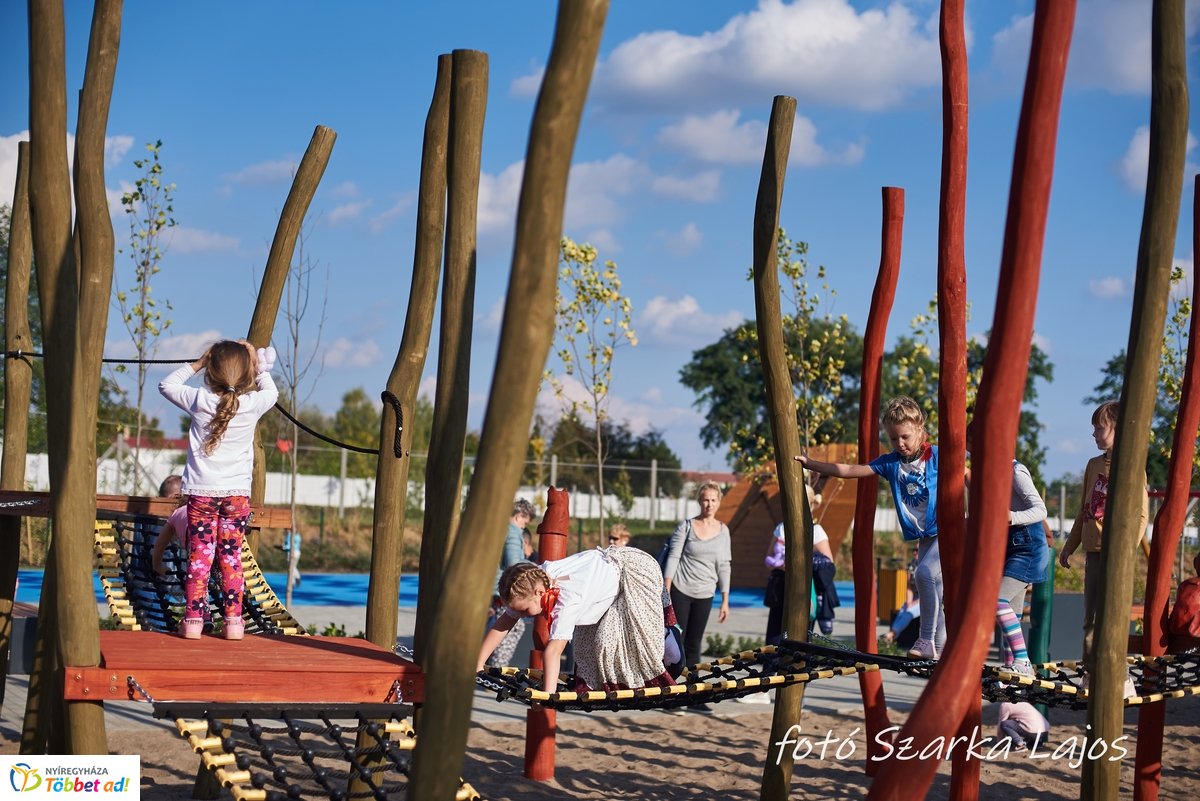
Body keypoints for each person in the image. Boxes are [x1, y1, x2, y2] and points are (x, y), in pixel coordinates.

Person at [796, 396, 943, 659]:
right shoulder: (891, 463)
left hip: (948, 531)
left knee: (923, 576)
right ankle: (941, 652)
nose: (900, 444)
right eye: (894, 439)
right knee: (938, 591)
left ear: (920, 427)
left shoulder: (937, 456)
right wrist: (812, 464)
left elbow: (967, 467)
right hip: (927, 537)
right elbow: (852, 469)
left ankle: (925, 639)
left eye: (905, 437)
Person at [159, 340, 278, 640]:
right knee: (231, 557)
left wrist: (197, 363)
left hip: (202, 493)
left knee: (200, 558)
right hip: (237, 495)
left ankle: (194, 622)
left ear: (210, 372)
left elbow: (166, 385)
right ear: (246, 374)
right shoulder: (250, 405)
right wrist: (258, 365)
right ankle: (234, 623)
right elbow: (272, 393)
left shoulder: (199, 399)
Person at [477, 546, 677, 693]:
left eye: (524, 611)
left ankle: (668, 637)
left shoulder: (566, 599)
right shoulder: (533, 580)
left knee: (636, 635)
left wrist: (547, 696)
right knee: (594, 644)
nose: (521, 616)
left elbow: (553, 651)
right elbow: (504, 622)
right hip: (607, 586)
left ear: (539, 593)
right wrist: (478, 664)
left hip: (635, 571)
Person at [1058, 401, 1149, 670]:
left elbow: (1142, 515)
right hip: (1094, 553)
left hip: (1116, 554)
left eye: (1100, 428)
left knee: (1112, 615)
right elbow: (1084, 509)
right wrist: (1070, 545)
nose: (1095, 434)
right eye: (1094, 428)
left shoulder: (1131, 467)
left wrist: (1125, 548)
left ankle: (1113, 670)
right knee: (1091, 616)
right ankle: (1089, 669)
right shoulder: (1092, 465)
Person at [965, 420, 1049, 677]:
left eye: (975, 452)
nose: (973, 458)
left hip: (1029, 548)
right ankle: (1015, 663)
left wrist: (1011, 516)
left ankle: (1022, 662)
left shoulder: (1015, 471)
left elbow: (1040, 510)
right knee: (1010, 612)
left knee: (995, 601)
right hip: (1012, 549)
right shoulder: (990, 476)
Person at [662, 481, 732, 678]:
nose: (709, 504)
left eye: (713, 500)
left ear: (719, 502)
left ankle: (692, 689)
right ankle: (668, 688)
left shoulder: (723, 531)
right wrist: (666, 591)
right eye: (705, 500)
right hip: (681, 590)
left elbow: (724, 565)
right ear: (699, 502)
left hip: (706, 593)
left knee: (694, 643)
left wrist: (725, 600)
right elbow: (673, 557)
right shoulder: (687, 526)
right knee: (675, 642)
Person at [763, 484, 839, 644]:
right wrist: (781, 564)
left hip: (804, 587)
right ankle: (771, 667)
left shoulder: (815, 530)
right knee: (774, 635)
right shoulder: (781, 528)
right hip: (780, 586)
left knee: (800, 637)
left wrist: (803, 563)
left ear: (811, 505)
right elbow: (769, 558)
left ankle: (798, 667)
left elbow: (829, 564)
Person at [485, 499, 537, 668]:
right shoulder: (512, 532)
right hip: (506, 588)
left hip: (493, 586)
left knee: (500, 625)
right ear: (520, 515)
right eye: (524, 522)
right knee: (512, 629)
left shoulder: (498, 529)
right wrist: (538, 569)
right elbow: (514, 562)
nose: (523, 527)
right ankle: (497, 667)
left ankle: (492, 664)